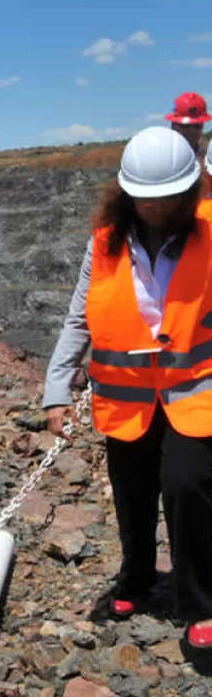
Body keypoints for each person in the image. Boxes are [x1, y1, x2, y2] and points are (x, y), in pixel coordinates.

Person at [42, 126, 212, 648]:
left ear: (190, 191)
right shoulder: (106, 244)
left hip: (195, 392)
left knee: (188, 487)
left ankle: (200, 601)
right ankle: (135, 578)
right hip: (129, 399)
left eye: (168, 199)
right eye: (146, 200)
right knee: (132, 492)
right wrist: (56, 389)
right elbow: (79, 319)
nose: (157, 209)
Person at [165, 91, 212, 156]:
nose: (191, 131)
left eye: (197, 126)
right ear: (173, 126)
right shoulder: (161, 156)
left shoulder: (206, 160)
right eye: (185, 126)